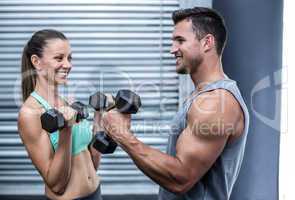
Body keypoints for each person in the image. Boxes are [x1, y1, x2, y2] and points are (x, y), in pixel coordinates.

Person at [101, 7, 249, 200]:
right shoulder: (202, 95)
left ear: (207, 43)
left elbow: (181, 179)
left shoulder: (215, 102)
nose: (172, 50)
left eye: (180, 41)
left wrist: (123, 136)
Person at [17, 29, 102, 200]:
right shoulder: (29, 113)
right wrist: (66, 130)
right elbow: (56, 184)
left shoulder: (67, 103)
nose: (68, 65)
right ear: (36, 62)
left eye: (69, 58)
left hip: (96, 193)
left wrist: (99, 115)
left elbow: (92, 163)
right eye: (59, 58)